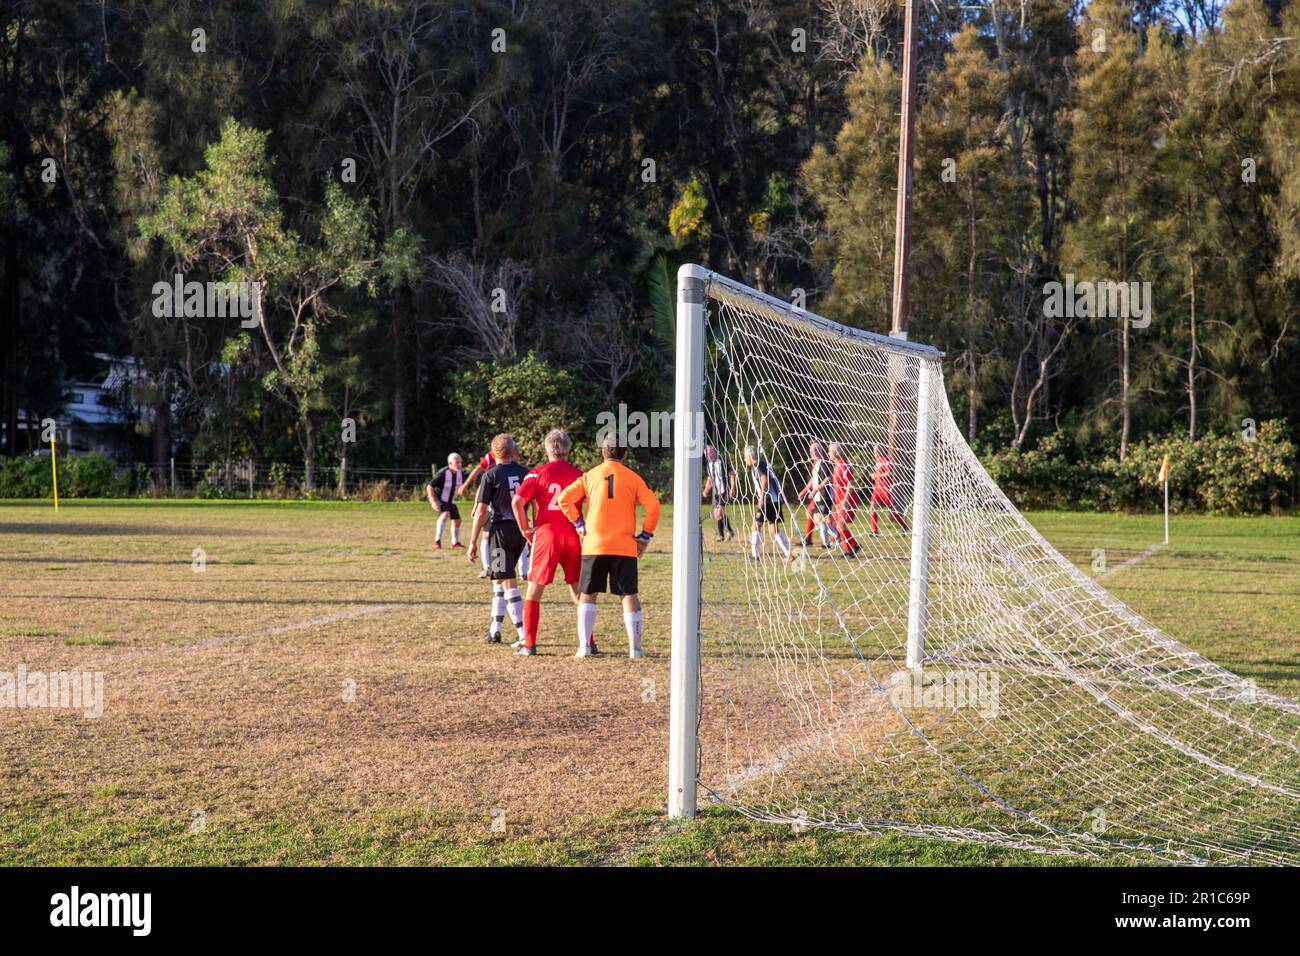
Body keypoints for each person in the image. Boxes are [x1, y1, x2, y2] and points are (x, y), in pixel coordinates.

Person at [557, 434, 660, 659]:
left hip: (594, 544)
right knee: (629, 594)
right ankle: (635, 649)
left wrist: (579, 523)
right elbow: (653, 506)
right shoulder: (633, 478)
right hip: (624, 545)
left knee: (588, 593)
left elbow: (564, 498)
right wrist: (644, 535)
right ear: (624, 454)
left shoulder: (589, 476)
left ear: (603, 453)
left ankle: (584, 646)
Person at [510, 429, 584, 657]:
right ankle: (587, 641)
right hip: (573, 532)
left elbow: (517, 502)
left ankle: (529, 644)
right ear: (568, 449)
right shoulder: (580, 475)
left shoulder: (536, 474)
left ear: (547, 449)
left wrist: (524, 529)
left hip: (546, 532)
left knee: (534, 588)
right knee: (577, 587)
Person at [466, 434, 529, 644]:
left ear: (493, 454)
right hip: (520, 531)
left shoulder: (490, 475)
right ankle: (495, 630)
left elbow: (481, 511)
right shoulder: (526, 473)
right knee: (499, 578)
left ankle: (523, 635)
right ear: (513, 452)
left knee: (508, 581)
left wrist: (473, 541)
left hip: (500, 532)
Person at [743, 445, 792, 561]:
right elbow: (775, 480)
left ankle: (755, 556)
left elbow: (764, 479)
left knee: (755, 526)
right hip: (774, 500)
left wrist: (761, 498)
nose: (745, 460)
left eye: (745, 457)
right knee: (773, 528)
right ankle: (788, 554)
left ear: (750, 456)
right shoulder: (765, 464)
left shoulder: (757, 465)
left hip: (768, 500)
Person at [460, 448, 496, 578]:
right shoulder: (513, 456)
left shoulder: (493, 459)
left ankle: (489, 568)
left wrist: (476, 505)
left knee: (487, 536)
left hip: (491, 503)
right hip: (504, 505)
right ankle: (523, 572)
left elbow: (481, 481)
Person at [795, 440, 835, 549]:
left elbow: (827, 478)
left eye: (812, 450)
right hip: (818, 495)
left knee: (821, 518)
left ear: (818, 450)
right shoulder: (816, 463)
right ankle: (826, 541)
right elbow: (814, 479)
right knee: (818, 519)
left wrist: (814, 490)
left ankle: (834, 536)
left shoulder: (823, 462)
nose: (810, 452)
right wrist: (805, 492)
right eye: (810, 450)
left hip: (824, 494)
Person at [828, 442, 862, 557]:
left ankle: (850, 550)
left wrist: (846, 501)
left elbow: (851, 483)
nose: (828, 454)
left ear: (836, 452)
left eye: (830, 451)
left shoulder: (843, 465)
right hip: (839, 501)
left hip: (846, 501)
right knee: (834, 524)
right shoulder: (837, 465)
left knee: (840, 526)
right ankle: (853, 546)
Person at [869, 442, 908, 536]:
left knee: (892, 511)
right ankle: (874, 531)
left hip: (886, 488)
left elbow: (890, 473)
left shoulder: (885, 460)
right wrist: (873, 476)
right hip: (877, 489)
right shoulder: (877, 461)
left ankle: (904, 527)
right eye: (874, 451)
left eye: (876, 451)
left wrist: (877, 475)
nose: (875, 453)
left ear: (881, 451)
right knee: (872, 508)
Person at [427, 453, 465, 550]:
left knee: (457, 520)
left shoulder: (460, 473)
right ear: (450, 463)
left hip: (450, 500)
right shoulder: (443, 473)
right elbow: (429, 486)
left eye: (460, 462)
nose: (459, 464)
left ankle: (455, 543)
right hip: (440, 499)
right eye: (457, 462)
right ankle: (437, 542)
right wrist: (433, 502)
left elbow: (463, 484)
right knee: (445, 514)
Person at [701, 444, 737, 542]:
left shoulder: (722, 461)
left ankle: (722, 534)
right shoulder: (709, 465)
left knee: (719, 511)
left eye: (711, 453)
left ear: (715, 452)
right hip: (716, 492)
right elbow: (710, 478)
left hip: (724, 490)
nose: (710, 455)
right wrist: (706, 490)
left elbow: (732, 474)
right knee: (718, 514)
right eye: (707, 454)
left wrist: (732, 488)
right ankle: (728, 532)